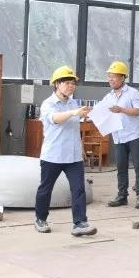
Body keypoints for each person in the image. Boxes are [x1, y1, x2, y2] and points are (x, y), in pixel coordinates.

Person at [35, 66, 97, 236]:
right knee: (45, 189)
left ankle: (80, 223)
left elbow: (74, 129)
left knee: (78, 189)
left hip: (73, 156)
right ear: (56, 84)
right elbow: (55, 119)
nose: (71, 86)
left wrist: (82, 149)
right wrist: (74, 112)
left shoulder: (72, 103)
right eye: (67, 83)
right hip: (53, 155)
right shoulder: (48, 104)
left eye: (73, 83)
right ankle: (40, 219)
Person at [103, 61, 139, 209]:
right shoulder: (108, 96)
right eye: (109, 76)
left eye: (114, 76)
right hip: (118, 136)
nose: (110, 79)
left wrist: (121, 109)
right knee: (121, 168)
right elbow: (102, 111)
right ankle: (122, 196)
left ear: (122, 77)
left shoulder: (133, 93)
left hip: (134, 135)